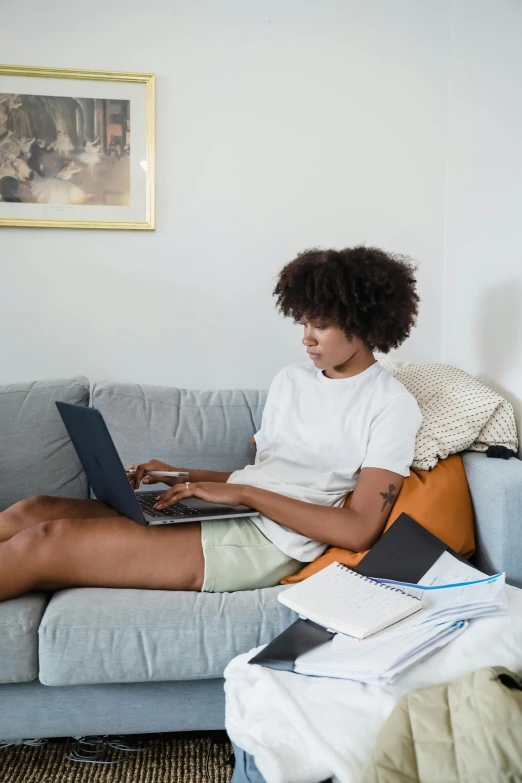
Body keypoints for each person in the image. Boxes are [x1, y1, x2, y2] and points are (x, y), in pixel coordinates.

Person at [0, 246, 422, 602]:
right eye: (303, 322)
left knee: (46, 541)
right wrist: (181, 475)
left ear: (365, 324)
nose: (306, 338)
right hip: (235, 510)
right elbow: (272, 474)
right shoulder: (291, 380)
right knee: (32, 511)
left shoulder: (390, 405)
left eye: (321, 325)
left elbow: (359, 530)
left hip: (269, 540)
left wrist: (241, 492)